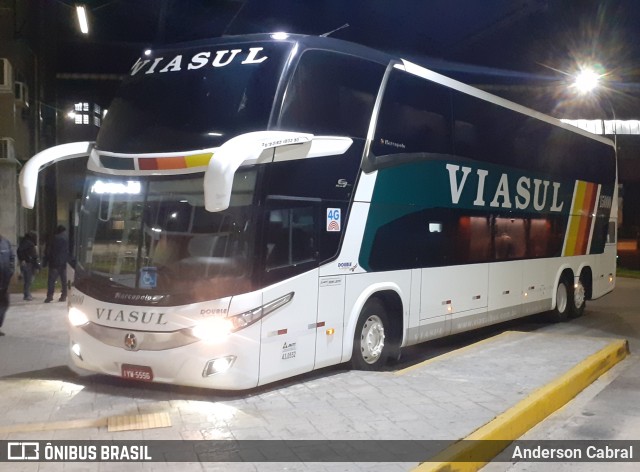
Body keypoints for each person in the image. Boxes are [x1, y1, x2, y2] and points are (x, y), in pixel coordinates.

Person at [44, 225, 69, 303]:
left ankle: (50, 296)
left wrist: (46, 261)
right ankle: (64, 295)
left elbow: (47, 251)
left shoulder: (53, 239)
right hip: (64, 263)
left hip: (54, 263)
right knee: (64, 280)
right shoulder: (67, 239)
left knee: (51, 280)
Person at [17, 231, 40, 301]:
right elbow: (33, 255)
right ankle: (27, 294)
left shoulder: (25, 242)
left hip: (28, 262)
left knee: (28, 279)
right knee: (28, 280)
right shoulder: (28, 243)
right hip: (28, 263)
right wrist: (24, 259)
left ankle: (27, 293)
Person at [0, 232, 15, 334]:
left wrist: (10, 270)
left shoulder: (5, 243)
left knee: (5, 304)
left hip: (4, 281)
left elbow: (12, 257)